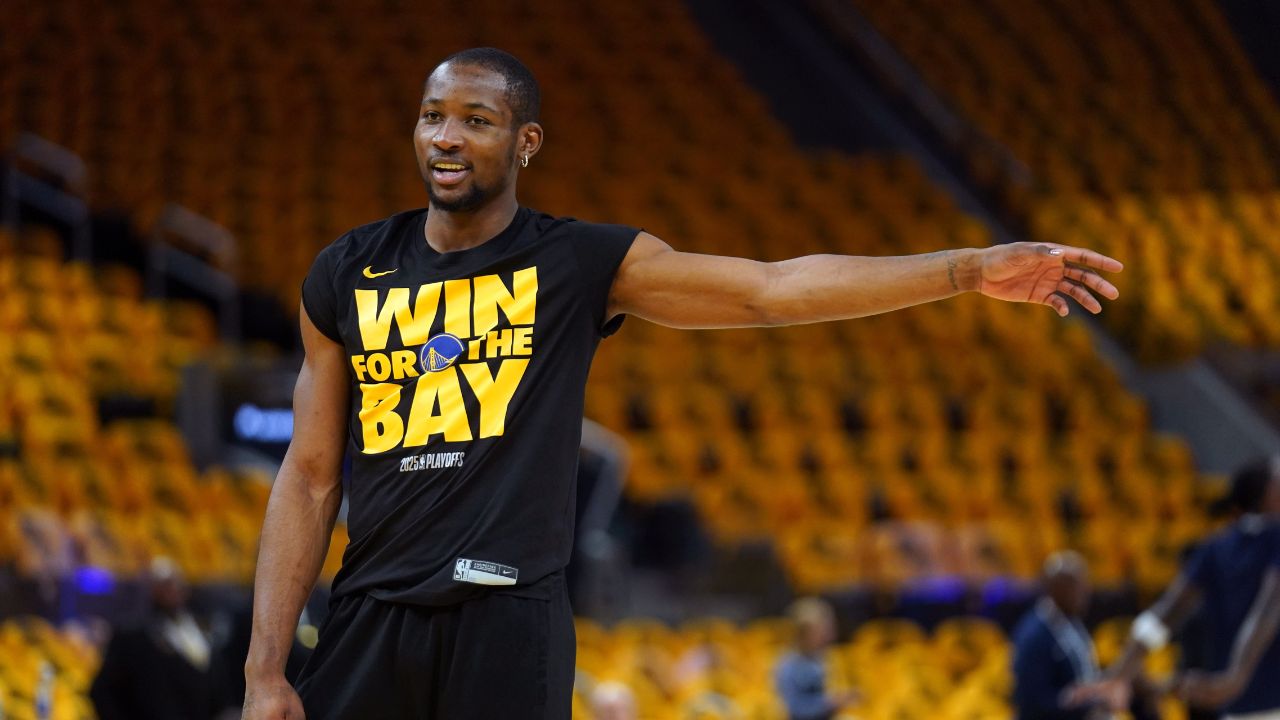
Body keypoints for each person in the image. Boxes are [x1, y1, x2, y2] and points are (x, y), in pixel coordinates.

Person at [241, 47, 1124, 719]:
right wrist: (264, 669)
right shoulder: (347, 272)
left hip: (506, 618)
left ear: (525, 140)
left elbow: (769, 291)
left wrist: (967, 268)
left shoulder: (578, 261)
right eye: (434, 115)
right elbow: (312, 477)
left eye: (476, 119)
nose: (446, 137)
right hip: (368, 617)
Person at [1070, 456, 1280, 719]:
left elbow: (1165, 612)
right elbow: (1269, 609)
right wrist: (1236, 677)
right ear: (1269, 494)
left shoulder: (1214, 547)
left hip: (1236, 707)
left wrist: (1120, 673)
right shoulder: (1268, 540)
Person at [91, 558, 232, 720]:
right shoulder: (133, 636)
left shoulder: (200, 628)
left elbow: (214, 683)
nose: (173, 590)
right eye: (166, 584)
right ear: (152, 589)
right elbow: (102, 691)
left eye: (177, 583)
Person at [1011, 552, 1129, 720]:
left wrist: (1101, 690)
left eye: (1085, 584)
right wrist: (1086, 700)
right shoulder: (1034, 635)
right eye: (1076, 586)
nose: (1085, 592)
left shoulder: (1070, 622)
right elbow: (1033, 703)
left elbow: (1083, 678)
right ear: (1054, 588)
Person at [774, 597, 858, 720]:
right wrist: (830, 702)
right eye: (820, 630)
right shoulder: (788, 665)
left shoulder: (828, 658)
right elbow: (792, 708)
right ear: (802, 633)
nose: (827, 635)